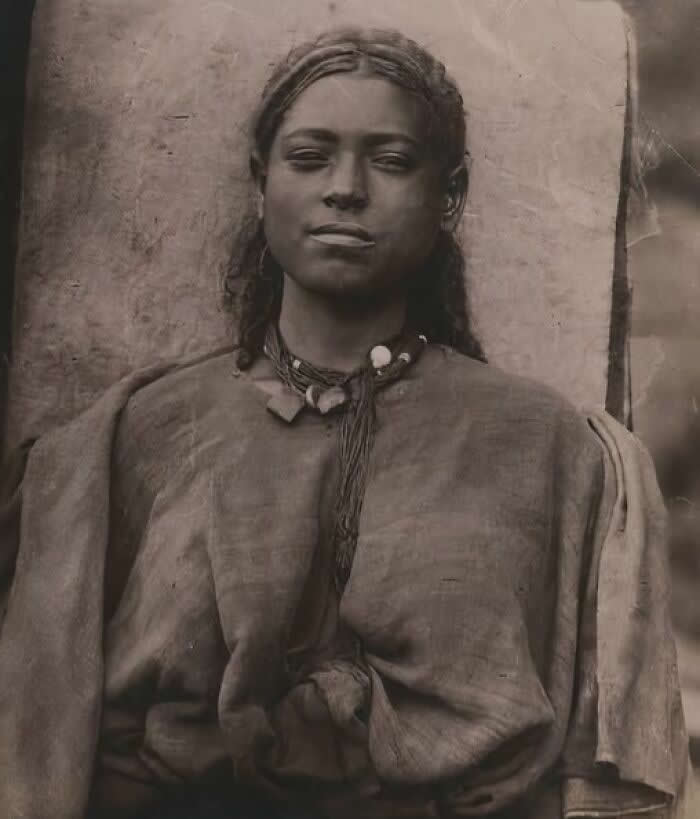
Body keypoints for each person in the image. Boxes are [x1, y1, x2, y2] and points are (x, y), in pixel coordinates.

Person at [0, 27, 693, 819]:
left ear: (450, 193)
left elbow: (598, 773)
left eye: (391, 161)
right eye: (309, 157)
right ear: (260, 184)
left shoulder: (554, 449)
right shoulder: (135, 438)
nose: (346, 188)